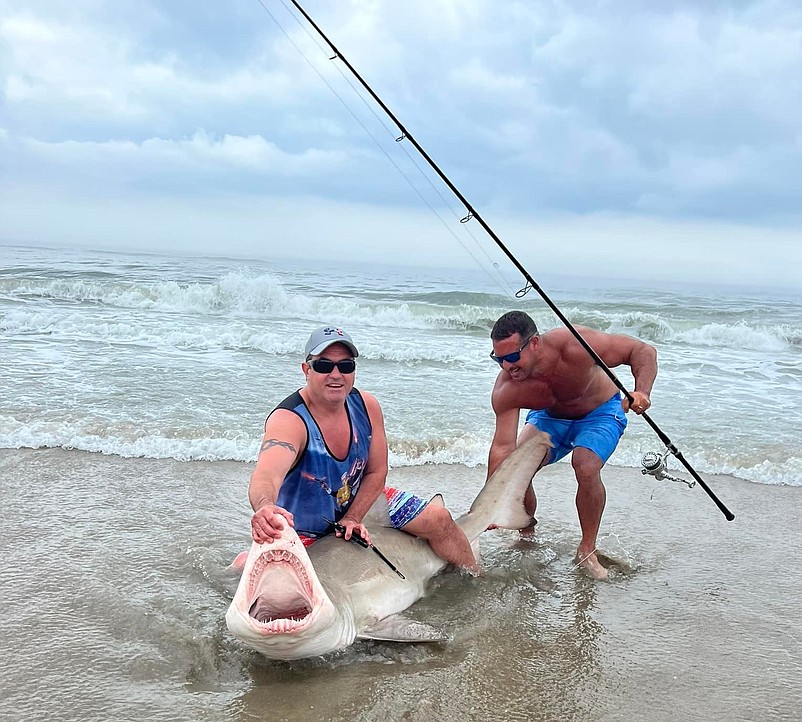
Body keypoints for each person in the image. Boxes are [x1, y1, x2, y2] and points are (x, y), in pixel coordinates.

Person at [248, 325, 478, 571]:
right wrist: (264, 506)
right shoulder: (290, 421)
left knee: (440, 519)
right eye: (324, 365)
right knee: (262, 572)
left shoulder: (366, 406)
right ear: (306, 370)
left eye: (345, 366)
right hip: (305, 526)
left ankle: (476, 579)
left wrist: (354, 516)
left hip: (360, 502)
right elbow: (266, 474)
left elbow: (377, 472)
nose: (336, 374)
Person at [486, 311, 657, 580]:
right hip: (550, 417)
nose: (508, 367)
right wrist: (491, 502)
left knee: (585, 464)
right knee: (520, 463)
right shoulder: (508, 388)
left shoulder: (575, 345)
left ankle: (587, 548)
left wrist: (642, 392)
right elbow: (502, 448)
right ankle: (526, 533)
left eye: (512, 357)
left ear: (534, 343)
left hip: (599, 411)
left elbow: (642, 350)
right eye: (499, 359)